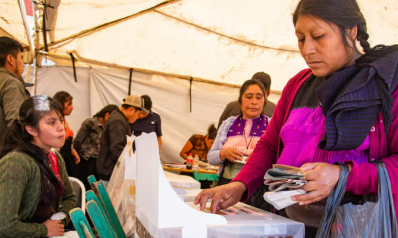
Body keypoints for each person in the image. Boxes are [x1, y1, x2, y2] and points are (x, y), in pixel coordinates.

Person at [195, 0, 398, 237]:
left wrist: (343, 176)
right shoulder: (297, 85)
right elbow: (270, 146)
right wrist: (240, 184)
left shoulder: (387, 86)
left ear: (351, 31)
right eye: (301, 38)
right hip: (290, 226)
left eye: (318, 36)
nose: (307, 50)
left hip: (354, 228)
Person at [0, 95, 76, 237]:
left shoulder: (55, 158)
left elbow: (69, 197)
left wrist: (58, 221)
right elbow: (4, 225)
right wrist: (44, 230)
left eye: (61, 120)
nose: (61, 127)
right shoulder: (16, 163)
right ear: (32, 130)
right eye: (51, 122)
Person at [208, 79, 269, 186]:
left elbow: (281, 159)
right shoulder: (228, 124)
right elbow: (210, 158)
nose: (254, 101)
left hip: (258, 187)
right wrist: (224, 153)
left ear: (264, 102)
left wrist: (261, 159)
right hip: (227, 184)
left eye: (259, 98)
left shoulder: (272, 125)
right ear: (240, 101)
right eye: (249, 97)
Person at [96, 95, 148, 186]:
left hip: (111, 172)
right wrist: (131, 167)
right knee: (109, 200)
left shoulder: (121, 119)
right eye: (138, 114)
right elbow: (117, 149)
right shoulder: (117, 121)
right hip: (109, 173)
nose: (138, 117)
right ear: (132, 109)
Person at [74, 104, 119, 190]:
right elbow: (78, 140)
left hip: (100, 161)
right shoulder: (91, 123)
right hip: (87, 160)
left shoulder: (109, 127)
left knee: (97, 187)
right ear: (107, 115)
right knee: (87, 186)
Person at [0, 36, 31, 144]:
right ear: (10, 59)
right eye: (21, 57)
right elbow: (15, 126)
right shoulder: (11, 83)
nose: (24, 63)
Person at [54, 91, 80, 176]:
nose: (71, 108)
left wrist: (72, 150)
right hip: (59, 158)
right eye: (69, 104)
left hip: (67, 159)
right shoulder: (54, 120)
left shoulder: (63, 120)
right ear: (60, 105)